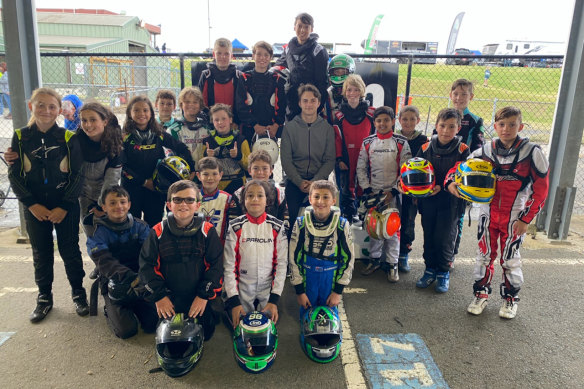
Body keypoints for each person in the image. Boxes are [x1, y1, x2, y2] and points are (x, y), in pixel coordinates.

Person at [459, 107, 549, 319]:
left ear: (521, 126)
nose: (506, 129)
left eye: (511, 124)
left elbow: (541, 189)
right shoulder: (486, 150)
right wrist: (453, 184)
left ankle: (510, 299)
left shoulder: (532, 152)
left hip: (515, 217)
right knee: (484, 256)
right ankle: (480, 294)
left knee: (510, 259)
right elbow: (462, 168)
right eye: (501, 124)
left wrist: (526, 219)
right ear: (495, 126)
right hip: (487, 213)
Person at [8, 87, 88, 323]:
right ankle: (44, 297)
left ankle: (78, 292)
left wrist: (64, 205)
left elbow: (77, 175)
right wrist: (31, 204)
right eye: (40, 105)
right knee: (41, 252)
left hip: (65, 205)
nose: (46, 110)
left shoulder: (68, 137)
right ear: (31, 107)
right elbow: (15, 175)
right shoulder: (21, 137)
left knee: (70, 250)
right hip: (36, 207)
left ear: (59, 110)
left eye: (52, 106)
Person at [139, 180, 223, 340]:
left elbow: (216, 265)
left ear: (198, 205)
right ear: (169, 205)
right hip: (168, 295)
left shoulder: (208, 231)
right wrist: (159, 297)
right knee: (152, 327)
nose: (183, 204)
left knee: (206, 333)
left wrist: (203, 296)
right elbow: (146, 267)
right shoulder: (157, 231)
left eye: (189, 200)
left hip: (197, 293)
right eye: (177, 199)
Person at [86, 185, 158, 338]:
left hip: (140, 280)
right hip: (115, 281)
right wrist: (129, 277)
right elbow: (103, 260)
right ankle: (111, 308)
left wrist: (144, 278)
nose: (119, 206)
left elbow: (150, 254)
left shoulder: (141, 227)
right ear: (104, 207)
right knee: (127, 331)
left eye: (122, 202)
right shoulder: (97, 232)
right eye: (112, 203)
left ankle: (137, 305)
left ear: (129, 205)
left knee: (153, 323)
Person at [415, 108, 470, 293]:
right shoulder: (425, 147)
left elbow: (462, 174)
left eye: (451, 127)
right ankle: (429, 269)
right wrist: (417, 190)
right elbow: (416, 172)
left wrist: (444, 185)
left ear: (458, 128)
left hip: (451, 202)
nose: (446, 130)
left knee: (445, 237)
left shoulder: (463, 150)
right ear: (436, 126)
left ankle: (443, 272)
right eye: (442, 126)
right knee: (429, 235)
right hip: (429, 200)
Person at [121, 95, 195, 227]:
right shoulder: (124, 136)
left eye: (145, 110)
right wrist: (143, 182)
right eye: (136, 110)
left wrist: (190, 169)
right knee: (131, 225)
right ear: (129, 113)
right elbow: (121, 166)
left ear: (151, 112)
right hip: (132, 188)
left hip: (155, 188)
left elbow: (182, 148)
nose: (141, 114)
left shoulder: (159, 133)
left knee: (154, 224)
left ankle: (152, 247)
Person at [357, 106, 411, 282]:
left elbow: (406, 171)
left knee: (393, 230)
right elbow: (361, 167)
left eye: (386, 120)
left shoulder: (401, 142)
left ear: (393, 122)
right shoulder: (367, 142)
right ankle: (374, 260)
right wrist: (367, 189)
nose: (382, 124)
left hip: (394, 193)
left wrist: (394, 191)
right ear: (374, 123)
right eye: (379, 121)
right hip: (374, 192)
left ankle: (392, 263)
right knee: (374, 227)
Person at [224, 180, 288, 328]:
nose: (255, 199)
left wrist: (274, 300)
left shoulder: (277, 226)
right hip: (242, 289)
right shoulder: (235, 226)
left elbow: (281, 265)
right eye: (250, 196)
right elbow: (229, 266)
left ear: (268, 200)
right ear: (243, 200)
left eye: (260, 195)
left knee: (265, 328)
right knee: (241, 328)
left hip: (267, 289)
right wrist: (234, 301)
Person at [289, 180, 354, 318]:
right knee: (307, 316)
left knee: (329, 316)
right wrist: (300, 291)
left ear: (333, 200)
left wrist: (338, 291)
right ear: (310, 199)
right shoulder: (301, 223)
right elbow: (294, 257)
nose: (320, 201)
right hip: (308, 277)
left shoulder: (342, 225)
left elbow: (348, 258)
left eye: (326, 197)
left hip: (330, 277)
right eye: (316, 196)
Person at [281, 84, 336, 231]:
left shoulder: (327, 129)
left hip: (320, 181)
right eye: (305, 101)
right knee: (293, 221)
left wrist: (315, 182)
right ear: (299, 103)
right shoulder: (289, 128)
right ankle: (293, 251)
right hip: (295, 181)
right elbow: (286, 160)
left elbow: (330, 160)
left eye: (313, 100)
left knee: (321, 221)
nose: (309, 104)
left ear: (319, 103)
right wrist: (299, 182)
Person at [447, 79, 486, 267]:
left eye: (464, 94)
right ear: (450, 95)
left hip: (464, 176)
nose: (459, 97)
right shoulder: (444, 116)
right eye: (456, 94)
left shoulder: (475, 120)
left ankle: (452, 254)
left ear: (471, 97)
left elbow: (479, 149)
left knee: (457, 217)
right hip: (444, 172)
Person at [333, 74, 375, 221]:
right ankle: (348, 217)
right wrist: (339, 159)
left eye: (356, 90)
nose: (352, 93)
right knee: (346, 188)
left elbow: (376, 137)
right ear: (345, 92)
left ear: (362, 91)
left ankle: (364, 215)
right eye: (349, 90)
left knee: (364, 187)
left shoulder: (371, 113)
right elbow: (337, 139)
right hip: (346, 157)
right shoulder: (338, 116)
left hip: (366, 158)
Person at [77, 102, 123, 235]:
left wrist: (101, 205)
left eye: (93, 120)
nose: (88, 125)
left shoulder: (115, 145)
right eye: (84, 120)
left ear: (104, 121)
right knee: (92, 238)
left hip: (105, 198)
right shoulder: (76, 140)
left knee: (108, 236)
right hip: (82, 196)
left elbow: (111, 181)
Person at [275, 12, 328, 121]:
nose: (302, 30)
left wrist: (317, 108)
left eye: (306, 27)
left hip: (311, 104)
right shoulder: (288, 49)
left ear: (311, 29)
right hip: (292, 103)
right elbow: (277, 68)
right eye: (299, 26)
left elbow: (322, 83)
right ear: (294, 27)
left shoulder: (318, 51)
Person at [235, 41, 287, 146]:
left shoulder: (277, 80)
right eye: (258, 54)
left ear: (271, 57)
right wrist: (254, 125)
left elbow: (282, 105)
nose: (262, 58)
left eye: (266, 55)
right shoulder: (244, 78)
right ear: (253, 55)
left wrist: (276, 125)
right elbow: (240, 106)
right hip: (249, 130)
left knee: (269, 160)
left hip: (271, 130)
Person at [396, 105, 428, 272]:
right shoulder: (393, 138)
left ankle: (403, 253)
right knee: (392, 219)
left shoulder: (423, 141)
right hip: (395, 187)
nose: (408, 122)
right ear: (399, 120)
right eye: (404, 119)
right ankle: (388, 253)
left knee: (408, 221)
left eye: (412, 119)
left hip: (412, 191)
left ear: (418, 121)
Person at [202, 103, 250, 194]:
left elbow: (249, 166)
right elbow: (201, 168)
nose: (220, 122)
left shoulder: (241, 140)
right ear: (212, 121)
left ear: (230, 119)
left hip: (237, 185)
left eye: (224, 119)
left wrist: (238, 156)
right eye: (216, 120)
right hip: (215, 186)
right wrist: (207, 157)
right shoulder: (207, 141)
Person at [233, 149, 288, 221]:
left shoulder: (279, 194)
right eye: (255, 168)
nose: (260, 172)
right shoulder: (239, 193)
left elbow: (284, 221)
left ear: (271, 170)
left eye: (265, 168)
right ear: (249, 170)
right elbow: (233, 221)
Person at [196, 156, 238, 244]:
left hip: (220, 247)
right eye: (206, 174)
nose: (210, 178)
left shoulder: (228, 199)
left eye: (214, 174)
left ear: (220, 175)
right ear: (199, 176)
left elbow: (233, 228)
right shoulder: (192, 197)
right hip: (196, 246)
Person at [198, 38, 241, 123]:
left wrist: (235, 122)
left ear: (231, 55)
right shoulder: (206, 76)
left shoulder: (238, 76)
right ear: (214, 54)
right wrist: (212, 120)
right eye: (219, 53)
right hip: (212, 123)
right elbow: (201, 102)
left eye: (226, 54)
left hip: (234, 123)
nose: (223, 57)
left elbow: (242, 104)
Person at [169, 87, 212, 172]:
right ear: (181, 105)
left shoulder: (207, 129)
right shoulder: (173, 130)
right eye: (187, 102)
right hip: (183, 174)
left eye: (195, 102)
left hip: (204, 174)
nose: (191, 105)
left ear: (200, 105)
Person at [326, 54, 356, 124]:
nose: (339, 75)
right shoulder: (327, 94)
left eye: (343, 72)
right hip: (331, 129)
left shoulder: (357, 92)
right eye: (337, 72)